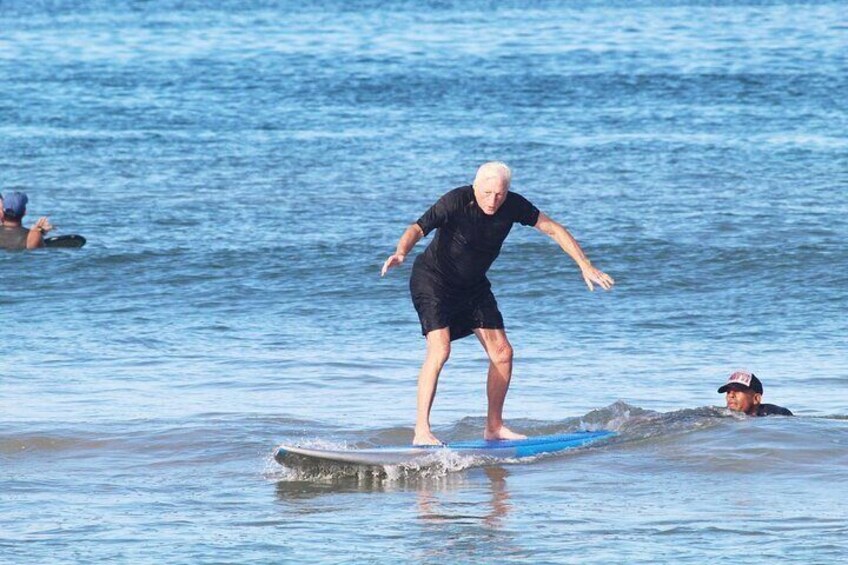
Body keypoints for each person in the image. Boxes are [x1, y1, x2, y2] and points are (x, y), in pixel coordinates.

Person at [381, 161, 615, 445]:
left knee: (503, 353)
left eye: (500, 194)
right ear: (476, 186)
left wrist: (584, 265)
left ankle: (494, 427)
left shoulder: (512, 205)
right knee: (440, 349)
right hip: (433, 281)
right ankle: (422, 431)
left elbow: (553, 228)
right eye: (488, 193)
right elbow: (417, 228)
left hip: (473, 286)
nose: (493, 200)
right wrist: (401, 252)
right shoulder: (456, 200)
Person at [718, 370, 793, 416]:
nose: (730, 395)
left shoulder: (777, 413)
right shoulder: (719, 415)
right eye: (728, 392)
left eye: (737, 391)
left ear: (756, 399)